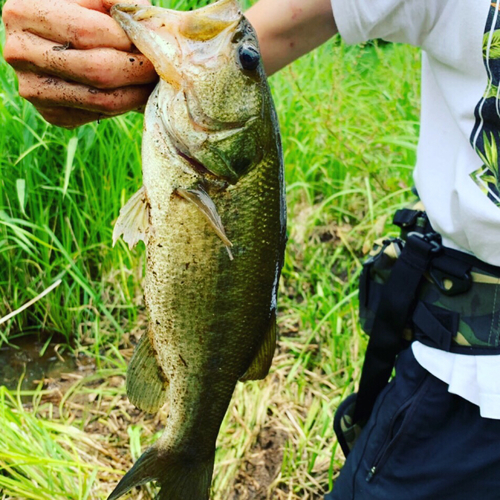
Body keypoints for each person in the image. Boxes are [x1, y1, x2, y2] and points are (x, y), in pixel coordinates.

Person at [4, 1, 500, 499]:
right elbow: (265, 32)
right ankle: (188, 445)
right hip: (457, 375)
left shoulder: (222, 161)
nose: (242, 54)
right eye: (247, 63)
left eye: (244, 62)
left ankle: (185, 449)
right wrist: (105, 52)